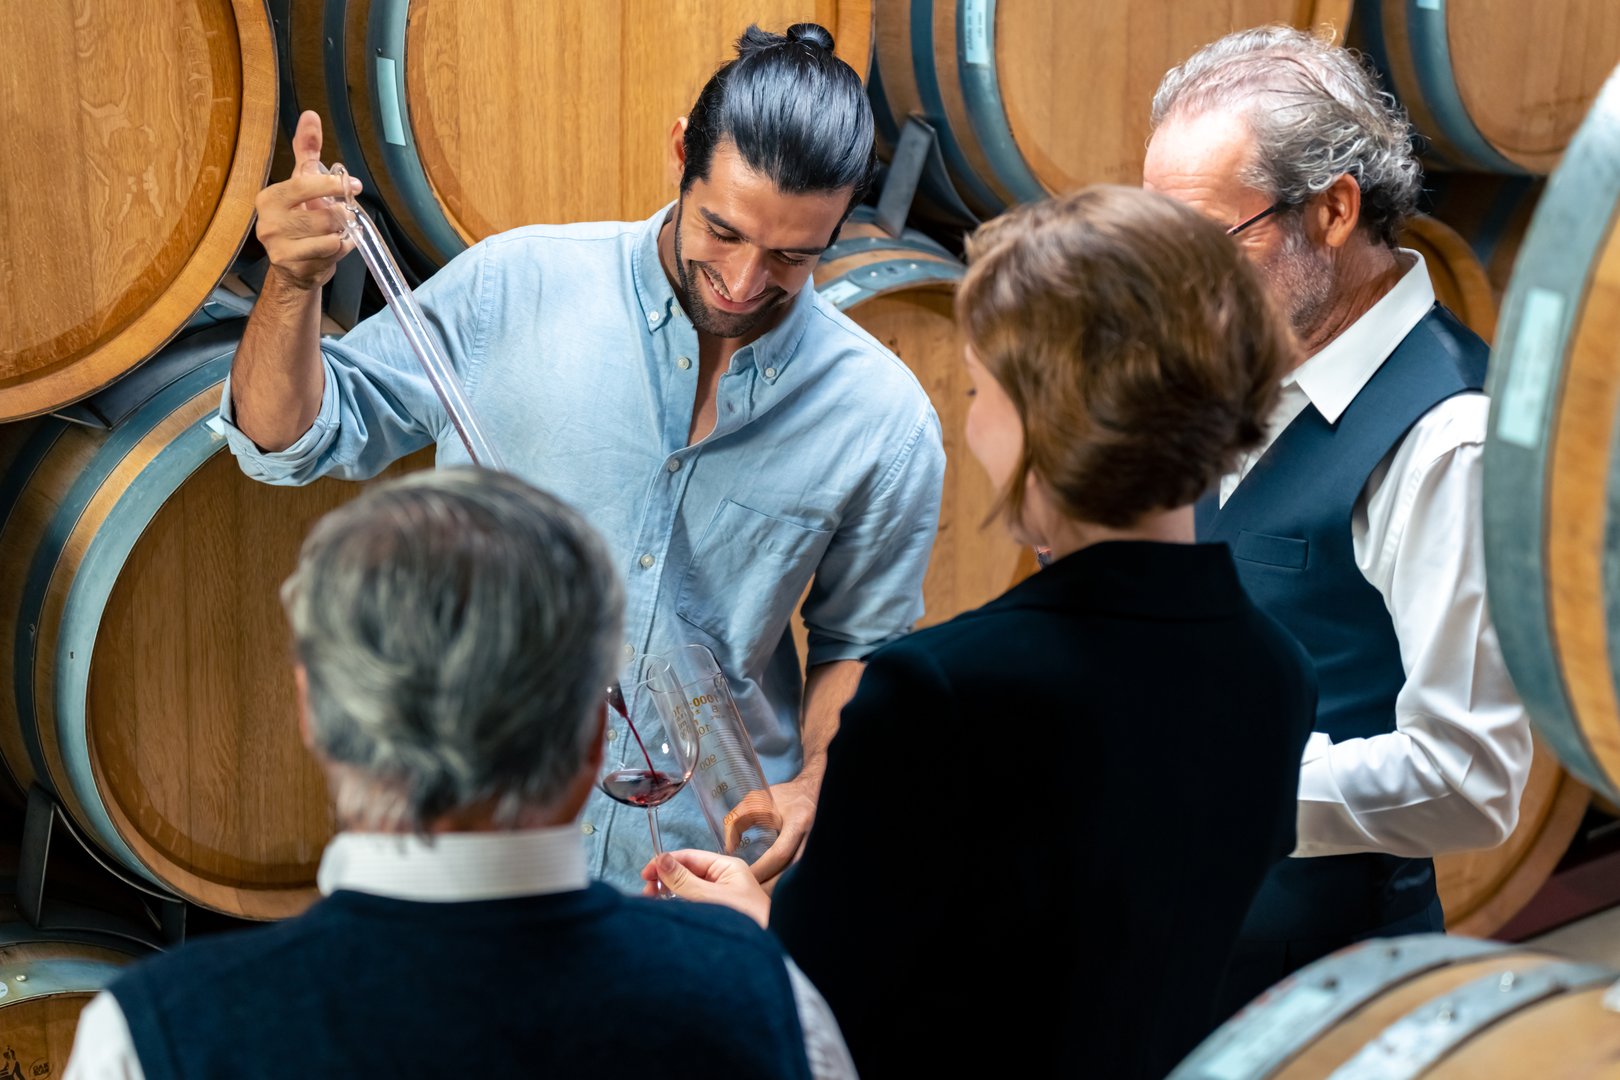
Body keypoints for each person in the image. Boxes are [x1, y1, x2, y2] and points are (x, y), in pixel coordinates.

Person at [221, 24, 945, 890]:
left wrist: (817, 785)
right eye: (723, 231)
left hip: (700, 874)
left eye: (792, 254)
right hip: (480, 847)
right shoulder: (514, 287)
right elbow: (288, 441)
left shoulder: (882, 416)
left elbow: (859, 643)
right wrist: (292, 284)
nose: (746, 282)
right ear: (681, 151)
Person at [646, 187, 1319, 1078]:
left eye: (978, 389)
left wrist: (749, 927)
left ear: (1049, 415)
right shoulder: (1276, 674)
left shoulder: (943, 695)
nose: (971, 421)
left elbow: (828, 1011)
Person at [63, 469, 857, 1078]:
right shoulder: (762, 997)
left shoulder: (156, 1032)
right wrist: (744, 960)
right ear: (594, 739)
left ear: (313, 711)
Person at [1142, 26, 1533, 1013]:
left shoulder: (1449, 436)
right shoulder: (1245, 356)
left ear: (1332, 212)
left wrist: (1216, 778)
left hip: (1321, 991)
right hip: (1186, 956)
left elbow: (1469, 777)